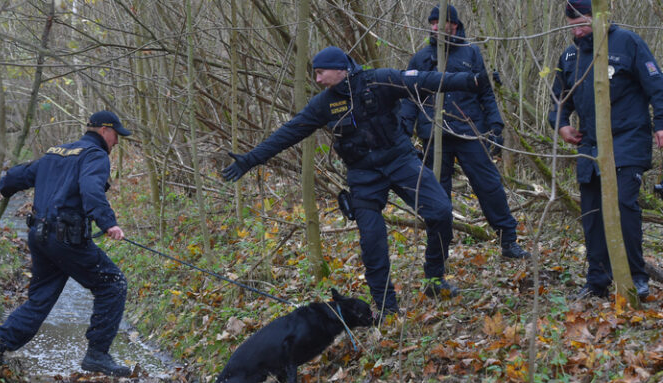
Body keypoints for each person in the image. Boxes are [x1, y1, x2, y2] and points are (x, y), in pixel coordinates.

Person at [220, 46, 489, 316]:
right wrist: (250, 160)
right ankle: (387, 307)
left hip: (401, 161)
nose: (318, 80)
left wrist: (472, 81)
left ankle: (434, 278)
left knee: (441, 212)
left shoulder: (379, 80)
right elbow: (289, 132)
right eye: (315, 74)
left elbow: (425, 80)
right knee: (372, 241)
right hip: (363, 176)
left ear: (339, 69)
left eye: (321, 73)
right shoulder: (323, 104)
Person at [0, 110, 133, 376]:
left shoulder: (56, 152)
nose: (116, 142)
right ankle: (97, 354)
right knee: (113, 285)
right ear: (105, 131)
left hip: (39, 236)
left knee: (40, 300)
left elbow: (19, 175)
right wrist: (108, 223)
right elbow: (91, 189)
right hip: (66, 239)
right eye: (116, 135)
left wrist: (3, 188)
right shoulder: (95, 155)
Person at [549, 0, 663, 300]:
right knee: (593, 215)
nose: (578, 28)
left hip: (628, 139)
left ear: (600, 16)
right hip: (590, 145)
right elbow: (558, 100)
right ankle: (597, 280)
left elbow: (657, 86)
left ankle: (635, 277)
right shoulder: (570, 55)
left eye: (583, 21)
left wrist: (661, 123)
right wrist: (561, 125)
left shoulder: (628, 43)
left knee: (625, 208)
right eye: (572, 24)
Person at [401, 4, 529, 260]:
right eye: (432, 22)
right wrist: (403, 133)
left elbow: (487, 94)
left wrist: (496, 126)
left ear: (455, 25)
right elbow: (409, 99)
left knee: (489, 186)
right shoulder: (421, 58)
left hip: (470, 131)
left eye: (441, 22)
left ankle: (508, 241)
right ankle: (439, 250)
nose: (436, 26)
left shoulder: (471, 54)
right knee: (437, 195)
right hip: (433, 135)